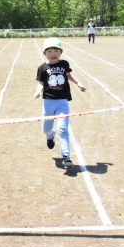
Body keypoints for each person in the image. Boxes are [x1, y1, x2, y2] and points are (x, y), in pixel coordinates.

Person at [34, 38, 87, 168]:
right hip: (48, 102)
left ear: (61, 52)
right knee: (46, 129)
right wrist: (38, 91)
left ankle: (66, 156)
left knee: (63, 128)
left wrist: (78, 83)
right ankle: (50, 136)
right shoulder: (42, 67)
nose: (53, 54)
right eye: (50, 51)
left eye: (56, 51)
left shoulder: (64, 64)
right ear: (44, 53)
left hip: (62, 101)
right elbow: (40, 83)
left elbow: (68, 75)